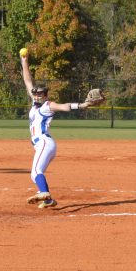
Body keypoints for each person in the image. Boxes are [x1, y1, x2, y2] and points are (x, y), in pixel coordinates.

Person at [21, 52, 102, 208]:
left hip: (45, 143)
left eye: (40, 94)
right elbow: (27, 80)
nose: (37, 96)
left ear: (45, 96)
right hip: (43, 145)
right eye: (35, 94)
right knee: (35, 174)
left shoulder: (47, 105)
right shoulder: (34, 103)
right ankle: (48, 200)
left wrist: (83, 105)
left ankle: (44, 193)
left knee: (37, 170)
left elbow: (64, 106)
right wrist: (24, 62)